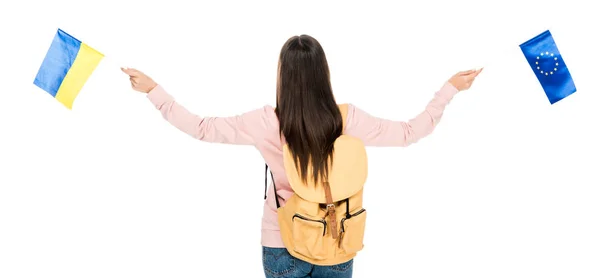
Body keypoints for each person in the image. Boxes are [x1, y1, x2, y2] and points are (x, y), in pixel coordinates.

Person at [121, 34, 482, 278]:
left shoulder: (265, 122)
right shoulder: (347, 118)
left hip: (282, 241)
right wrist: (450, 89)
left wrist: (154, 91)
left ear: (283, 75)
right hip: (338, 239)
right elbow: (409, 133)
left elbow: (200, 127)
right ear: (323, 73)